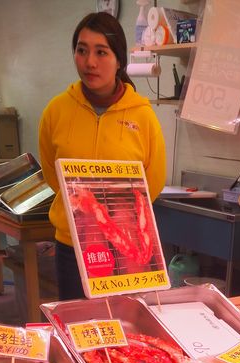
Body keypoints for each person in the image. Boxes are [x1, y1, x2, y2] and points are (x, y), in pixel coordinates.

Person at [39, 12, 166, 300]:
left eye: (101, 52)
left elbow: (153, 182)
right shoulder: (56, 111)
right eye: (81, 50)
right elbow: (52, 173)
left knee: (122, 331)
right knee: (77, 329)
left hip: (126, 247)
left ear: (119, 59)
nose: (89, 62)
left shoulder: (142, 116)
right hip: (73, 244)